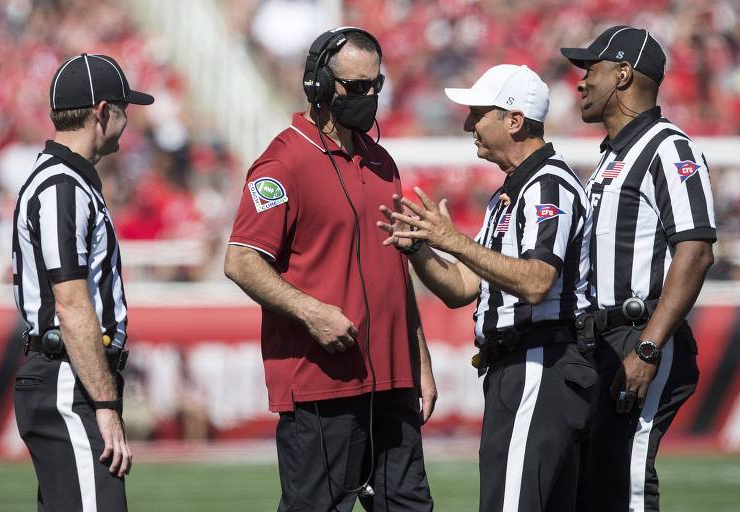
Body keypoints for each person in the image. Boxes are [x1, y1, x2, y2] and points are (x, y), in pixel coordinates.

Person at [223, 27, 436, 512]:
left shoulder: (382, 161)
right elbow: (240, 260)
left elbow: (395, 270)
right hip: (323, 383)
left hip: (392, 379)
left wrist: (418, 360)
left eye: (375, 85)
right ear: (319, 85)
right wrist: (311, 311)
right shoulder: (282, 163)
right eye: (355, 87)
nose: (368, 97)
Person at [379, 64, 595, 512]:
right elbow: (462, 286)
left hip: (541, 362)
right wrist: (419, 249)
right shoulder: (507, 196)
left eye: (479, 113)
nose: (467, 124)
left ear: (514, 120)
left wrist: (451, 240)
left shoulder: (548, 184)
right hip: (520, 366)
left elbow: (537, 281)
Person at [560, 26, 716, 512]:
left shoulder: (668, 148)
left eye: (591, 69)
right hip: (603, 340)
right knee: (595, 482)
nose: (581, 82)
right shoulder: (613, 156)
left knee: (624, 480)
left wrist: (648, 347)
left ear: (624, 73)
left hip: (639, 332)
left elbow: (695, 250)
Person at [12, 54, 154, 511]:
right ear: (102, 112)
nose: (127, 121)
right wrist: (105, 406)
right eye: (123, 108)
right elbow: (72, 305)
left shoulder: (66, 181)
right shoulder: (62, 187)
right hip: (67, 377)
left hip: (69, 375)